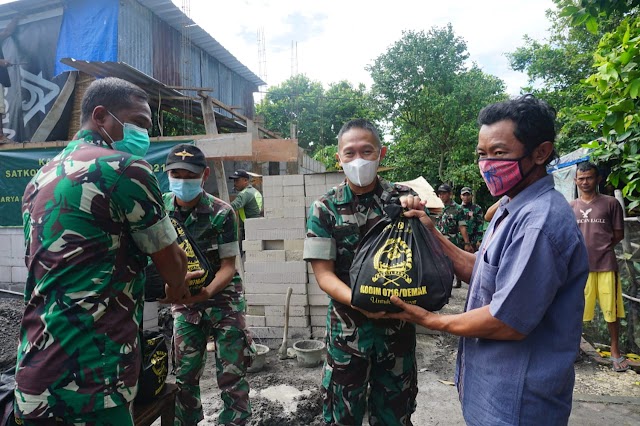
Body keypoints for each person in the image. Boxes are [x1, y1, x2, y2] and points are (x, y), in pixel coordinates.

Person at [389, 95, 589, 425]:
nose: (487, 165)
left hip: (518, 401)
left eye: (499, 153)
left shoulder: (539, 223)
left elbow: (506, 320)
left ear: (540, 152)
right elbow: (481, 272)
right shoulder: (509, 209)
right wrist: (430, 232)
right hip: (490, 388)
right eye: (482, 155)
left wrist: (433, 320)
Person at [14, 77, 191, 425]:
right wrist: (177, 285)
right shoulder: (126, 169)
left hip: (33, 377)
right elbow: (172, 263)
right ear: (100, 116)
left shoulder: (38, 181)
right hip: (93, 381)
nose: (144, 135)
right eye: (138, 123)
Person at [303, 118, 418, 425]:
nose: (358, 160)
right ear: (338, 157)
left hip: (397, 329)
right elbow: (324, 275)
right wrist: (360, 300)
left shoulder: (403, 199)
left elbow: (424, 260)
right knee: (343, 415)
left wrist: (420, 214)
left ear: (381, 153)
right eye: (350, 153)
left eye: (367, 151)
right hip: (347, 332)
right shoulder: (324, 207)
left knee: (395, 414)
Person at [164, 144, 255, 425]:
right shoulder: (160, 210)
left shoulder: (222, 212)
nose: (181, 180)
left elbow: (229, 266)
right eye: (175, 174)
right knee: (185, 374)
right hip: (183, 302)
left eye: (189, 175)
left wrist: (204, 293)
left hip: (223, 299)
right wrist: (171, 291)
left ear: (204, 176)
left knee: (231, 373)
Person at [570, 161, 628, 372]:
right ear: (576, 180)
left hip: (605, 265)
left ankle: (615, 351)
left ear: (598, 179)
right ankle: (573, 348)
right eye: (581, 178)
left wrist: (602, 249)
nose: (585, 182)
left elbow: (619, 234)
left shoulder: (611, 203)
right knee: (576, 310)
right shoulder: (571, 207)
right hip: (579, 269)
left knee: (611, 311)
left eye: (590, 178)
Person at [436, 184, 471, 287]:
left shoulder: (458, 209)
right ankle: (443, 285)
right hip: (438, 239)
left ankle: (456, 281)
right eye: (440, 194)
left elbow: (462, 227)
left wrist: (467, 243)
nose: (441, 196)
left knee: (452, 263)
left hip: (452, 240)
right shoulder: (437, 207)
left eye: (444, 193)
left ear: (450, 194)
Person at [229, 169, 263, 239]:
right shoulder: (255, 191)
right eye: (234, 181)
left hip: (248, 229)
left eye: (237, 181)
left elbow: (232, 206)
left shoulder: (244, 194)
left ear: (245, 180)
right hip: (258, 226)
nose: (234, 183)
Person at [459, 186, 484, 251]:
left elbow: (480, 224)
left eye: (468, 195)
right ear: (461, 196)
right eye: (464, 195)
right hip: (460, 241)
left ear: (471, 196)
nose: (466, 197)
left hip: (473, 241)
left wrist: (479, 240)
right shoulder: (457, 209)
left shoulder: (477, 208)